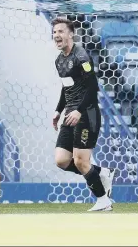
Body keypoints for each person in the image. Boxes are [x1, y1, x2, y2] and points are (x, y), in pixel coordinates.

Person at [51, 17, 115, 211]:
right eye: (54, 32)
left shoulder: (81, 56)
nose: (56, 36)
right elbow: (66, 87)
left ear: (71, 34)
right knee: (61, 160)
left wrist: (79, 110)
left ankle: (103, 200)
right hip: (70, 114)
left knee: (80, 161)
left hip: (86, 113)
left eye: (60, 31)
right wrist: (58, 110)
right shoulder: (59, 60)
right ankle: (102, 173)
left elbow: (92, 86)